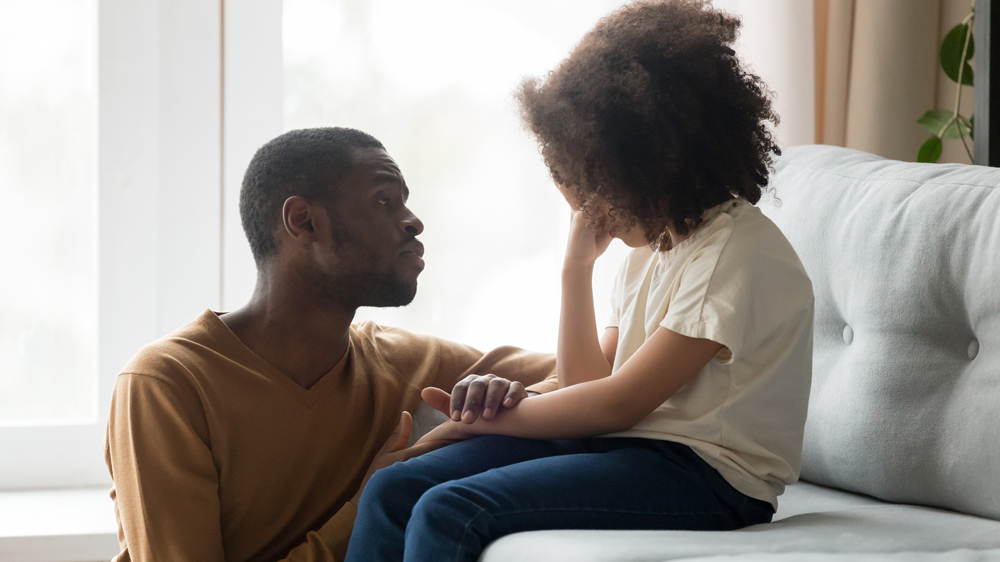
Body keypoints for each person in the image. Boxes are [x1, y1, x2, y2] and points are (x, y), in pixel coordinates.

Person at [343, 1, 815, 561]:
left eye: (597, 192)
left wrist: (495, 420)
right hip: (625, 447)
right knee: (393, 490)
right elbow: (586, 382)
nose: (588, 215)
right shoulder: (656, 247)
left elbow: (616, 405)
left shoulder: (735, 253)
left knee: (452, 511)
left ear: (654, 167)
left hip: (706, 474)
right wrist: (577, 271)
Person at [103, 127, 559, 562]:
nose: (414, 222)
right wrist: (372, 501)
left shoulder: (405, 363)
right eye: (384, 201)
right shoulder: (166, 385)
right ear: (303, 221)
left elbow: (592, 374)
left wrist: (512, 395)